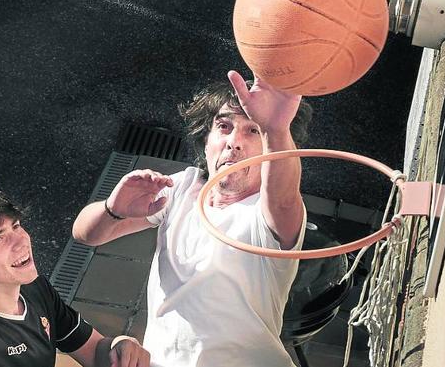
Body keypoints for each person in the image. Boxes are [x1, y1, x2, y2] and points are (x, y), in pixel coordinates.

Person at [72, 70, 313, 367]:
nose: (233, 142)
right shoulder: (183, 187)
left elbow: (284, 198)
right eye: (224, 126)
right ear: (206, 138)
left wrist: (276, 130)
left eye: (254, 131)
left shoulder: (266, 212)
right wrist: (113, 209)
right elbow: (86, 235)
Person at [0, 182, 150, 367]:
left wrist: (118, 347)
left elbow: (93, 350)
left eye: (16, 226)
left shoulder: (36, 292)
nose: (21, 241)